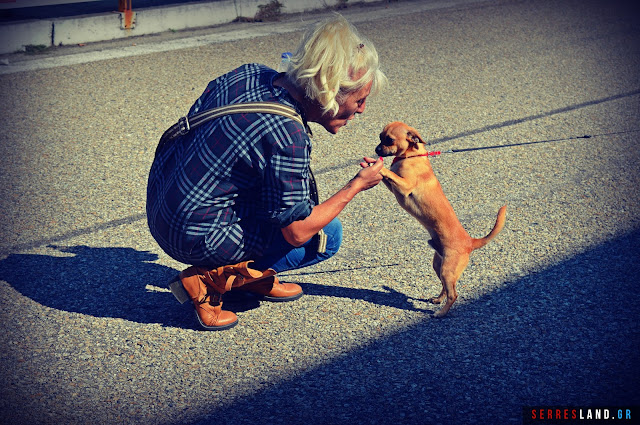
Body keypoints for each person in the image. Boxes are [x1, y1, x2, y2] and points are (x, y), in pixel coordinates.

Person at [146, 14, 387, 330]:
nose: (362, 110)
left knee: (276, 204)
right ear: (331, 91)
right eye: (359, 99)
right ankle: (210, 282)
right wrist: (356, 185)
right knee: (326, 235)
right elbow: (297, 232)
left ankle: (247, 279)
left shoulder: (250, 74)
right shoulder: (288, 135)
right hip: (191, 233)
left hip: (163, 205)